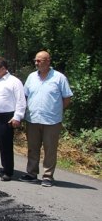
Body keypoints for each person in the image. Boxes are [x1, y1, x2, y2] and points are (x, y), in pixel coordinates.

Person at [20, 51, 73, 187]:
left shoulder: (59, 78)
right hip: (32, 119)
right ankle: (31, 173)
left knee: (50, 149)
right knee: (33, 148)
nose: (36, 63)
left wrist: (56, 111)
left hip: (52, 121)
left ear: (48, 61)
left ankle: (48, 176)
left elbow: (67, 98)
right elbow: (25, 96)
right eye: (35, 61)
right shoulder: (32, 77)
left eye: (40, 61)